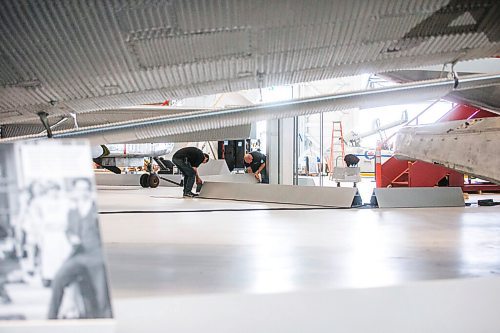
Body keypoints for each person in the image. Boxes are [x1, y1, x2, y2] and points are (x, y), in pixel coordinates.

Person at [48, 178, 112, 319]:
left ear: (89, 191)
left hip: (96, 255)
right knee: (58, 279)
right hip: (78, 255)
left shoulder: (96, 209)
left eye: (84, 189)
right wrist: (71, 237)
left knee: (101, 292)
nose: (81, 192)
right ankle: (50, 318)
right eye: (78, 189)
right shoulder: (72, 211)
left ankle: (106, 319)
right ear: (75, 192)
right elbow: (69, 230)